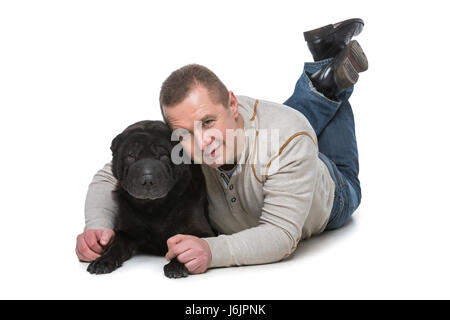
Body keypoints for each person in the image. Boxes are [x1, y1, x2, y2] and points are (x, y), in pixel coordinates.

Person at [76, 18, 367, 275]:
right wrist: (97, 225)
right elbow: (110, 175)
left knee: (315, 150)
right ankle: (325, 71)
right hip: (276, 144)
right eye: (186, 133)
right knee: (275, 134)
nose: (201, 143)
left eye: (207, 122)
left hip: (331, 195)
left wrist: (213, 252)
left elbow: (280, 235)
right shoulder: (181, 139)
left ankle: (330, 77)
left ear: (231, 102)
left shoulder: (288, 139)